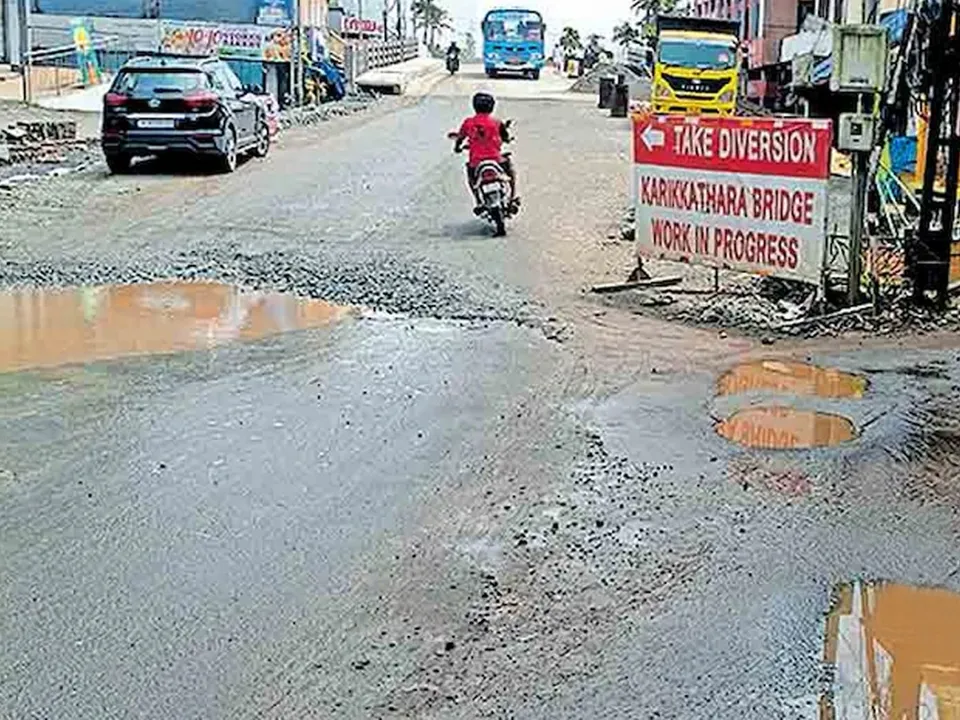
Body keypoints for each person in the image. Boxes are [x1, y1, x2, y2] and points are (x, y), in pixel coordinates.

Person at [453, 92, 519, 215]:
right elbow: (505, 137)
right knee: (510, 171)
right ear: (492, 107)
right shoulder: (497, 122)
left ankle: (479, 201)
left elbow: (460, 138)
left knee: (472, 179)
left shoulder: (468, 122)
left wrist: (457, 148)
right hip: (496, 160)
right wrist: (507, 139)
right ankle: (512, 198)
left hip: (476, 163)